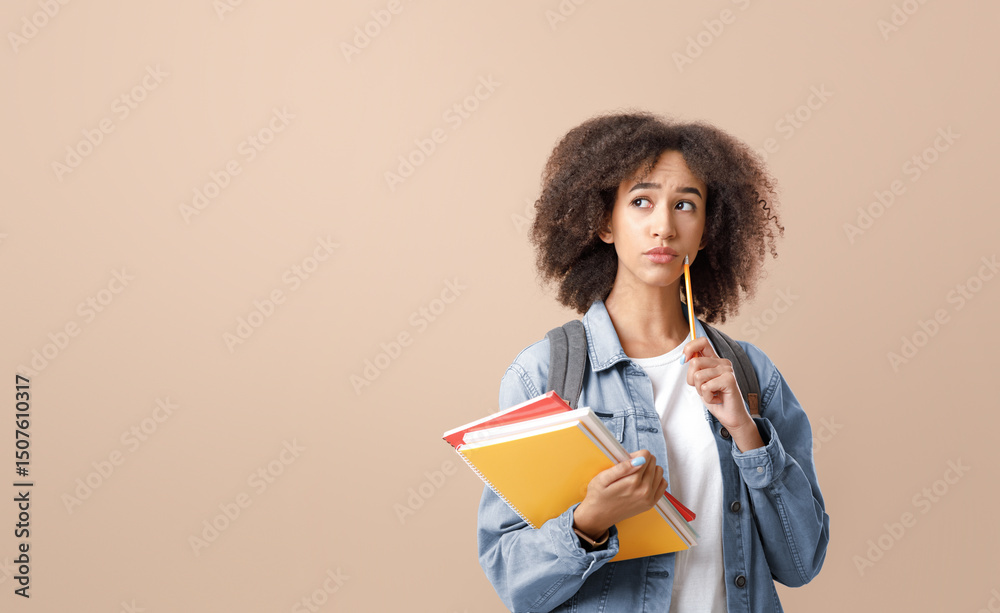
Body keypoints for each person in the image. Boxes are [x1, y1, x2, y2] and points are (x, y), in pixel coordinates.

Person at [476, 111, 829, 612]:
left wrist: (747, 434)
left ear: (706, 231)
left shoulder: (751, 375)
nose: (664, 226)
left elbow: (802, 562)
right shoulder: (544, 375)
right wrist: (590, 521)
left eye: (686, 204)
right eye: (641, 202)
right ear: (604, 222)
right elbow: (516, 582)